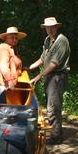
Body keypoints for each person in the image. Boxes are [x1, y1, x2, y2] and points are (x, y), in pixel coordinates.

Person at [29, 17, 70, 145]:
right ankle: (55, 133)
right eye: (48, 27)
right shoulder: (47, 40)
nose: (50, 29)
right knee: (50, 106)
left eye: (52, 27)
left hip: (57, 77)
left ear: (57, 27)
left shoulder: (62, 41)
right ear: (45, 28)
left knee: (53, 108)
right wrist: (29, 67)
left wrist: (38, 76)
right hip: (49, 76)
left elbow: (54, 64)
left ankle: (56, 137)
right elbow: (43, 59)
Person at [0, 26, 26, 95]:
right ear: (6, 38)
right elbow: (3, 66)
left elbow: (14, 65)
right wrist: (9, 81)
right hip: (5, 84)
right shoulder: (3, 47)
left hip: (12, 83)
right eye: (12, 37)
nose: (14, 40)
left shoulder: (13, 49)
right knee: (8, 105)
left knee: (12, 105)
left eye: (16, 38)